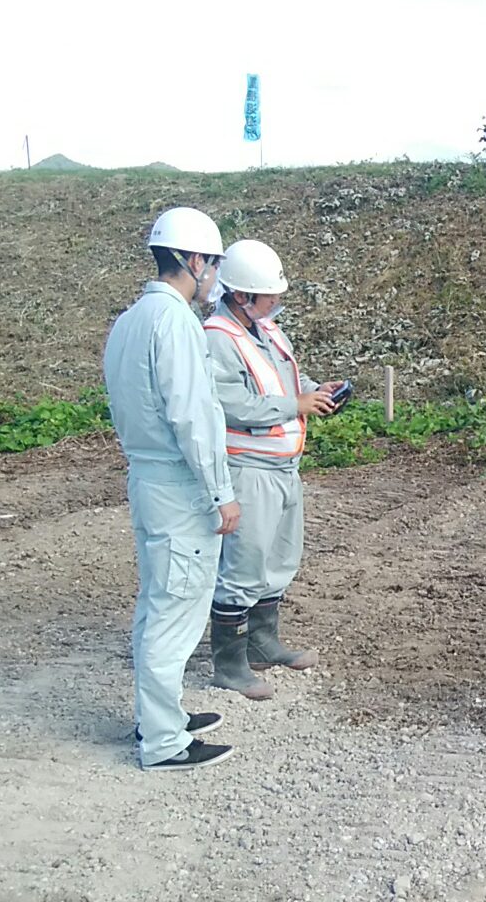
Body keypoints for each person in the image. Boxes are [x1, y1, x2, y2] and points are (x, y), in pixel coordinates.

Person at [103, 207, 240, 771]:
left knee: (157, 602)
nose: (212, 276)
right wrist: (220, 492)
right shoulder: (177, 323)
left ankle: (158, 717)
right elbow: (193, 417)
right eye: (210, 263)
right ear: (193, 260)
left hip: (147, 475)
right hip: (179, 484)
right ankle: (163, 742)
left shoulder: (131, 319)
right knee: (175, 609)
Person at [203, 239, 344, 699]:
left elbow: (286, 379)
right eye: (270, 296)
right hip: (248, 468)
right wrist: (294, 404)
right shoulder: (217, 337)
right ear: (242, 295)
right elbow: (231, 402)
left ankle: (263, 643)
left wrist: (315, 391)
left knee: (279, 560)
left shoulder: (264, 329)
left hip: (284, 467)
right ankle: (229, 664)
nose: (277, 302)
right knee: (244, 564)